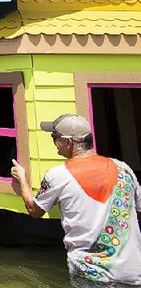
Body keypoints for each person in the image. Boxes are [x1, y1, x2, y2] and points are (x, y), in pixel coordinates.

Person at [11, 114, 141, 284]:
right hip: (133, 270)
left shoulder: (58, 175)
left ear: (68, 142)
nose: (54, 143)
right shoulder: (123, 168)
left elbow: (34, 210)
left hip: (91, 274)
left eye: (55, 138)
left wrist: (22, 179)